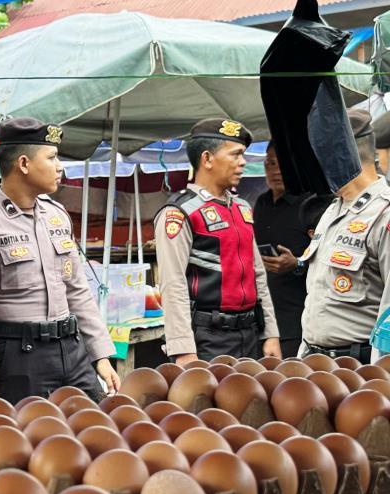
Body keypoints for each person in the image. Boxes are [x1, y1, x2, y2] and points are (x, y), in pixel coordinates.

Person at [0, 118, 120, 404]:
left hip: (72, 349)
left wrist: (101, 356)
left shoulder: (56, 216)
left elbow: (78, 291)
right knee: (27, 443)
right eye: (52, 157)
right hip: (19, 359)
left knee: (96, 433)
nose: (60, 167)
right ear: (23, 164)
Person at [154, 118, 281, 364]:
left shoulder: (242, 208)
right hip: (207, 338)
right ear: (207, 159)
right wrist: (183, 349)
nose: (243, 162)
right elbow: (172, 283)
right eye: (235, 155)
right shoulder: (181, 212)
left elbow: (258, 275)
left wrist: (270, 333)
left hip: (250, 333)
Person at [299, 109, 390, 362]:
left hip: (362, 367)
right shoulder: (333, 210)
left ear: (341, 154)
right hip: (317, 361)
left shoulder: (384, 213)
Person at [253, 143, 312, 358]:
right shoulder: (261, 203)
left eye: (282, 165)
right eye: (270, 164)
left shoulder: (310, 204)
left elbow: (325, 258)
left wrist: (296, 263)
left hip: (297, 320)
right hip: (263, 319)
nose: (276, 171)